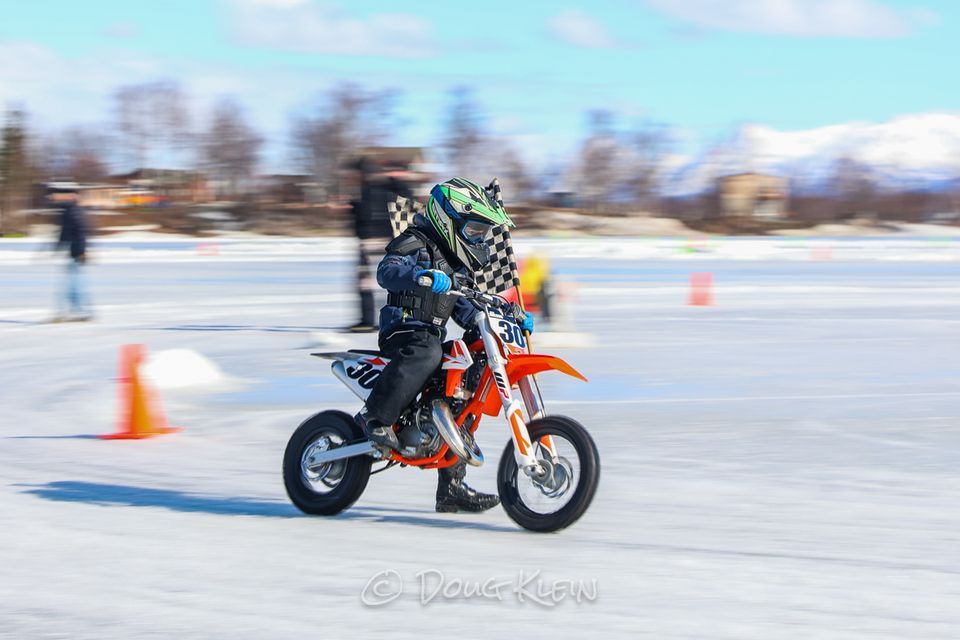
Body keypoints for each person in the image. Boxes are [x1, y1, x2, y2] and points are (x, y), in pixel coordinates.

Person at [355, 177, 535, 513]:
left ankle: (451, 486)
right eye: (474, 232)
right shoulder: (416, 241)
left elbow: (469, 311)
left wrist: (509, 317)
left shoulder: (455, 266)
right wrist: (421, 276)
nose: (478, 240)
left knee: (470, 372)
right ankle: (375, 419)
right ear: (447, 218)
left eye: (482, 235)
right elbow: (387, 271)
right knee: (428, 350)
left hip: (432, 336)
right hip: (405, 330)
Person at [348, 156, 414, 333]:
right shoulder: (363, 190)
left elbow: (407, 196)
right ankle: (367, 321)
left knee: (390, 282)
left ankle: (398, 319)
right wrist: (352, 206)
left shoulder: (383, 185)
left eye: (355, 173)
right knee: (364, 284)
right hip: (366, 241)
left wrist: (396, 177)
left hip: (382, 240)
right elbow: (363, 212)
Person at [49, 183, 92, 322]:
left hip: (76, 253)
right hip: (73, 252)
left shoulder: (74, 211)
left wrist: (82, 252)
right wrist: (57, 248)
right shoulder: (67, 211)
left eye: (58, 195)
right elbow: (64, 233)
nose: (55, 198)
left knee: (73, 284)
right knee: (72, 283)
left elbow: (82, 232)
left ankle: (79, 311)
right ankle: (79, 311)